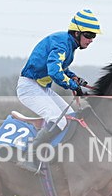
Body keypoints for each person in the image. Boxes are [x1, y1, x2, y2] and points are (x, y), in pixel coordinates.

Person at [16, 9, 100, 171]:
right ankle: (30, 156)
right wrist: (73, 86)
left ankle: (60, 156)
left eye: (94, 37)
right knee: (58, 119)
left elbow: (60, 68)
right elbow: (54, 71)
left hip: (41, 87)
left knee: (69, 118)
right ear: (77, 33)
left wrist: (74, 78)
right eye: (89, 35)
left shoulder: (68, 45)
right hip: (29, 87)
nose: (91, 40)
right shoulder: (62, 43)